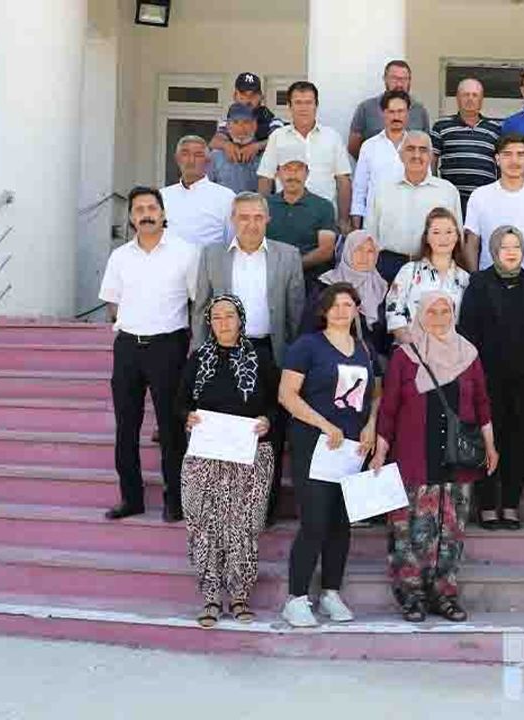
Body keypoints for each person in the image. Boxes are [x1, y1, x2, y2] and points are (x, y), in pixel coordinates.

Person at [371, 292, 499, 623]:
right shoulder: (405, 356)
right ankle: (411, 595)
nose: (440, 318)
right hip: (413, 456)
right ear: (420, 315)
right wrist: (380, 452)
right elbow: (389, 408)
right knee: (408, 531)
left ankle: (444, 595)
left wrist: (490, 446)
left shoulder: (468, 354)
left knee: (450, 532)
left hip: (458, 461)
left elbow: (482, 403)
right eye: (432, 312)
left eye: (445, 311)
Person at [192, 192, 306, 523]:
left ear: (267, 219)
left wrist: (294, 363)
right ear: (233, 220)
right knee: (226, 430)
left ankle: (264, 510)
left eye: (258, 217)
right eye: (244, 217)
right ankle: (224, 508)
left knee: (269, 434)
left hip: (270, 352)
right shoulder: (212, 255)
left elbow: (296, 312)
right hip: (225, 352)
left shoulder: (288, 255)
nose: (251, 224)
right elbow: (201, 308)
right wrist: (201, 358)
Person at [277, 283, 379, 627]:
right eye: (334, 305)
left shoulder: (364, 348)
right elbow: (287, 395)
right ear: (323, 310)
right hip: (315, 443)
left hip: (351, 449)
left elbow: (375, 395)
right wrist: (323, 424)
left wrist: (370, 426)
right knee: (314, 521)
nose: (340, 311)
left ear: (356, 310)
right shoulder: (307, 346)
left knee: (341, 523)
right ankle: (296, 598)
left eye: (347, 304)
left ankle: (331, 592)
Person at [99, 186, 201, 522]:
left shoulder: (185, 252)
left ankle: (176, 501)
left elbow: (197, 300)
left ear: (163, 213)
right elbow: (112, 302)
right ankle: (131, 499)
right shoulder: (120, 257)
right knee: (126, 426)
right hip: (128, 346)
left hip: (168, 347)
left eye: (152, 208)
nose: (146, 214)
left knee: (171, 427)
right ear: (131, 217)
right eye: (139, 209)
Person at [177, 294, 278, 627]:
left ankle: (239, 596)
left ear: (241, 320)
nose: (223, 323)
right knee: (205, 524)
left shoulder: (260, 358)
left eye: (229, 316)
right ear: (209, 323)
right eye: (217, 317)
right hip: (206, 454)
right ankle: (210, 597)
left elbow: (277, 403)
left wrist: (267, 420)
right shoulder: (198, 358)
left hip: (250, 454)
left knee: (243, 525)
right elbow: (179, 402)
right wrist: (187, 416)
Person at [457, 226, 524, 530]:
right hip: (487, 379)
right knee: (489, 439)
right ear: (493, 251)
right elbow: (468, 332)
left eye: (516, 246)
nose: (511, 252)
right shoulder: (479, 283)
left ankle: (511, 504)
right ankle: (487, 505)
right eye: (504, 246)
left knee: (518, 442)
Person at [365, 131, 463, 284]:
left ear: (431, 156)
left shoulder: (447, 191)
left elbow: (458, 237)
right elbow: (370, 233)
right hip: (388, 266)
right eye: (410, 149)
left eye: (423, 150)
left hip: (434, 265)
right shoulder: (382, 189)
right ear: (400, 155)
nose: (417, 155)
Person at [257, 81, 353, 233]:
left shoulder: (332, 137)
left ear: (316, 105)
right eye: (298, 103)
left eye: (308, 102)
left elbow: (343, 181)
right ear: (289, 106)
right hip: (285, 217)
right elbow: (265, 178)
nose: (303, 108)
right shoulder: (277, 137)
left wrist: (343, 220)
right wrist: (261, 216)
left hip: (324, 219)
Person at [463, 133, 524, 275]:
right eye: (507, 154)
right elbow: (472, 244)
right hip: (488, 283)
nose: (514, 160)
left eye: (520, 154)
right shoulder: (479, 196)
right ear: (497, 159)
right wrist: (475, 280)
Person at [386, 207, 470, 341]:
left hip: (451, 349)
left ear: (457, 237)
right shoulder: (409, 271)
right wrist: (410, 344)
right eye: (436, 232)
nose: (443, 238)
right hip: (411, 346)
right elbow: (394, 312)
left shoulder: (465, 279)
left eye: (449, 232)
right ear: (427, 238)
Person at [308, 230, 390, 363]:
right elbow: (310, 329)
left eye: (370, 251)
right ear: (348, 251)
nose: (364, 256)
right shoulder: (326, 286)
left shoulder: (382, 288)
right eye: (358, 250)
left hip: (371, 364)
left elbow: (386, 337)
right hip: (330, 360)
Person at [265, 146, 337, 287]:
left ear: (307, 173)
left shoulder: (323, 206)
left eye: (298, 169)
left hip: (311, 279)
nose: (293, 175)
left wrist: (294, 267)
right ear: (278, 173)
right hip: (270, 276)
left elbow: (326, 250)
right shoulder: (264, 205)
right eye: (287, 169)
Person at [431, 78, 501, 211]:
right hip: (451, 199)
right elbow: (432, 162)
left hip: (486, 200)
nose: (470, 99)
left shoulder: (495, 129)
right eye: (465, 94)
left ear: (481, 99)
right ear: (457, 98)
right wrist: (435, 190)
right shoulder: (441, 126)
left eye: (475, 95)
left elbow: (501, 164)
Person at [350, 90, 411, 227]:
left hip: (409, 222)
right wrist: (356, 228)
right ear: (383, 113)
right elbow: (359, 190)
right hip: (375, 223)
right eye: (391, 112)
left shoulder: (417, 146)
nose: (396, 116)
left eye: (401, 111)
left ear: (407, 113)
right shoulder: (369, 147)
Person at [347, 60, 431, 159]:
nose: (399, 84)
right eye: (395, 78)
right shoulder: (366, 108)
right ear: (385, 79)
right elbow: (353, 146)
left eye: (404, 79)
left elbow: (426, 146)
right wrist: (372, 162)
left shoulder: (420, 110)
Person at [161, 135, 235, 248]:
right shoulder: (162, 196)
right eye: (185, 154)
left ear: (207, 160)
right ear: (177, 159)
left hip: (209, 259)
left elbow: (233, 242)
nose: (191, 161)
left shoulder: (226, 197)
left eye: (198, 155)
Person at [208, 72, 285, 164]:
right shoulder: (228, 121)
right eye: (243, 95)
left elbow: (280, 141)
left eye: (253, 95)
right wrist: (226, 145)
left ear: (261, 96)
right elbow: (214, 141)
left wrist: (257, 146)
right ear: (235, 96)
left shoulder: (272, 121)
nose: (248, 99)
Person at [208, 103, 261, 193]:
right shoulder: (215, 156)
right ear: (228, 126)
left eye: (246, 122)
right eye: (236, 122)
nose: (241, 128)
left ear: (254, 125)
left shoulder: (265, 155)